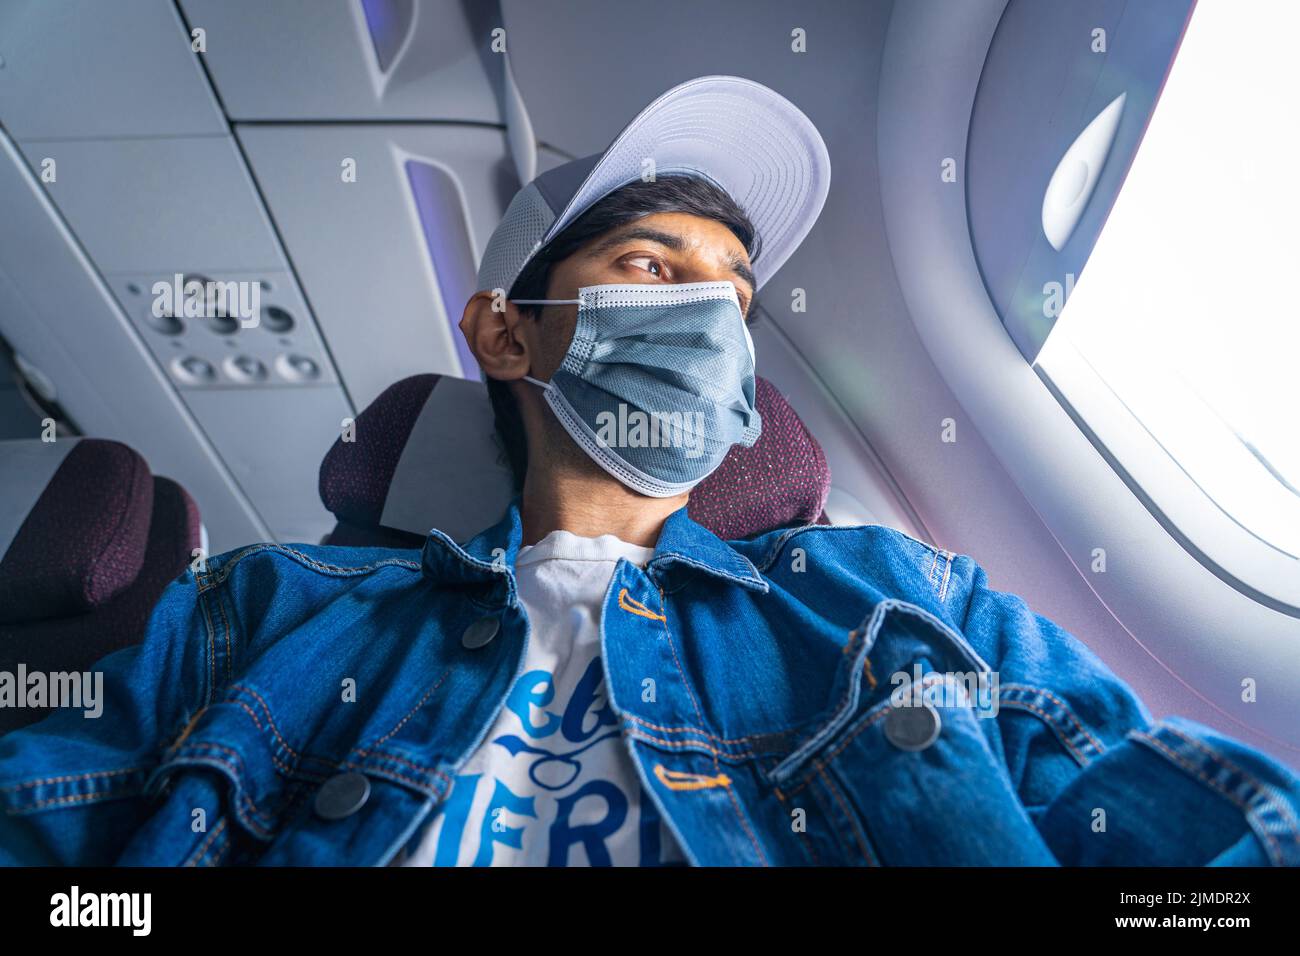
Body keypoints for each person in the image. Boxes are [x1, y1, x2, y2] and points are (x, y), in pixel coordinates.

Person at [1, 75, 1297, 867]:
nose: (709, 319)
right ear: (505, 329)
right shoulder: (266, 612)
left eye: (732, 296)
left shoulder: (901, 607)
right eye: (653, 271)